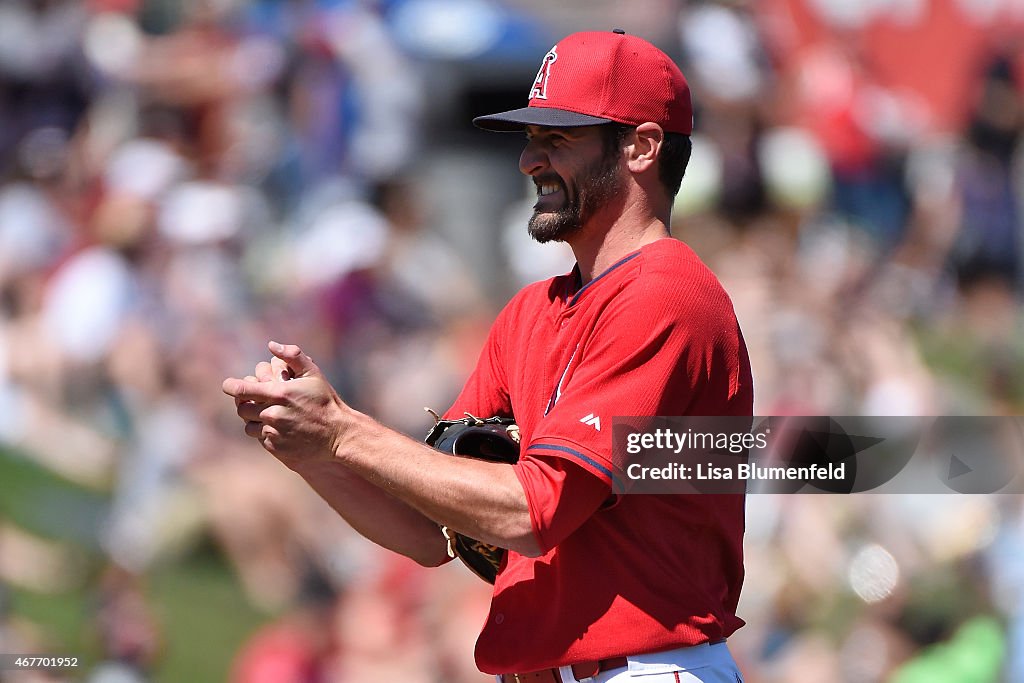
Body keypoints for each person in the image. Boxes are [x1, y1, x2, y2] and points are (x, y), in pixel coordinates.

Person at [223, 30, 753, 683]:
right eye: (532, 138)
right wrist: (316, 451)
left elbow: (533, 512)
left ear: (641, 147)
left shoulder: (663, 296)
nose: (530, 159)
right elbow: (428, 532)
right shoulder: (532, 312)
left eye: (559, 138)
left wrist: (345, 429)